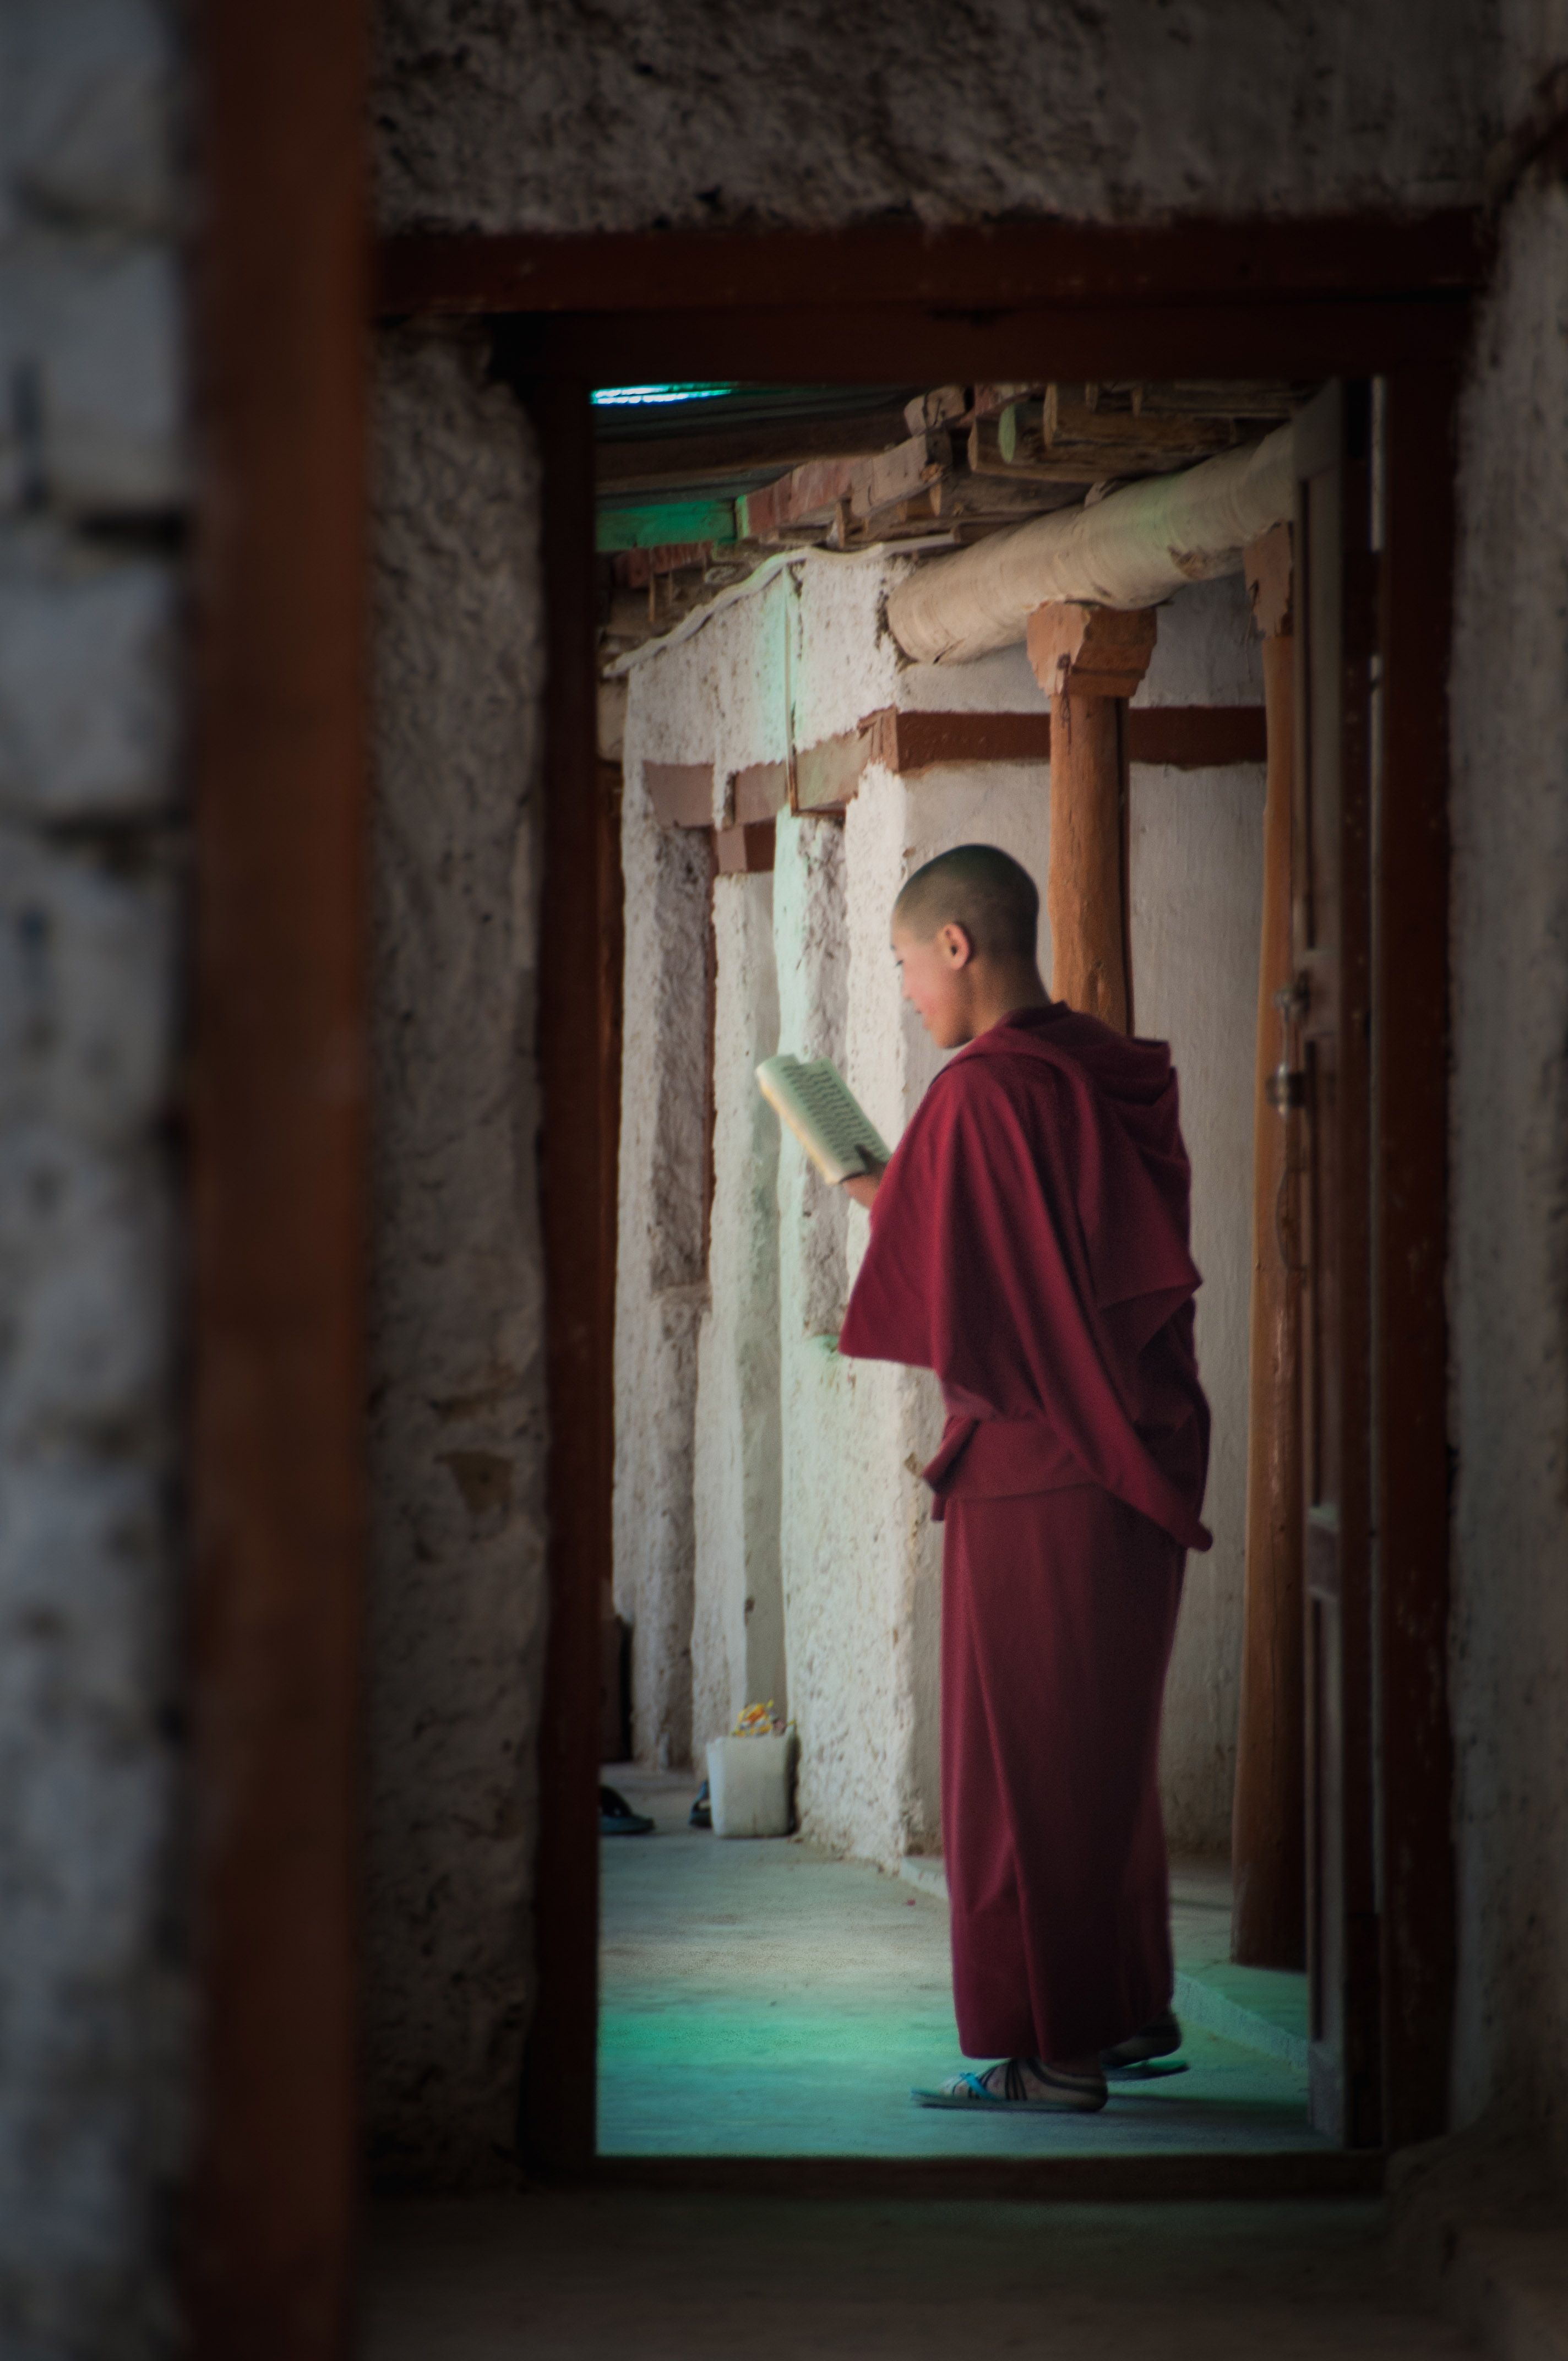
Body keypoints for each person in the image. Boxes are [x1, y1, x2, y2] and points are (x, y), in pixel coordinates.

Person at [836, 843, 1211, 2113]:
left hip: (1033, 1469)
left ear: (955, 944)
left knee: (1016, 1774)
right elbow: (1058, 1265)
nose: (905, 993)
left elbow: (975, 1307)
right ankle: (1119, 2010)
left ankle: (1048, 2051)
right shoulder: (1104, 1072)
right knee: (1093, 1756)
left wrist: (871, 1193)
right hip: (1130, 1464)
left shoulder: (979, 1095)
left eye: (903, 963)